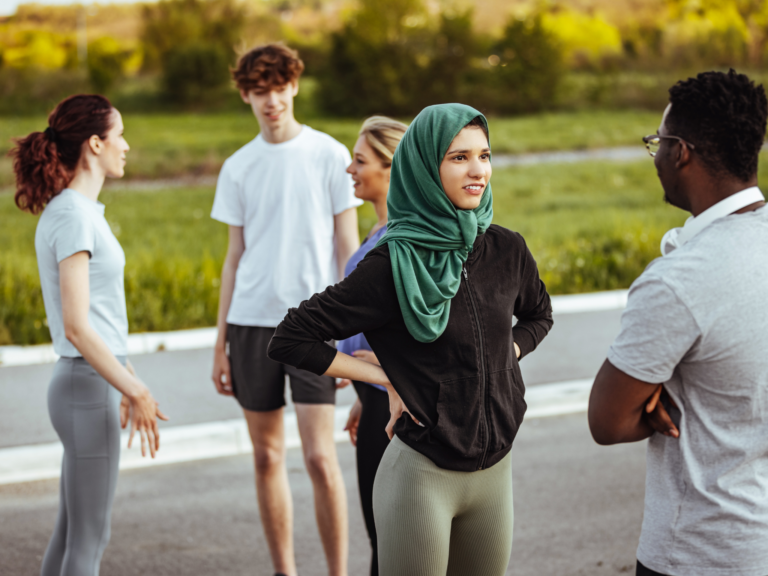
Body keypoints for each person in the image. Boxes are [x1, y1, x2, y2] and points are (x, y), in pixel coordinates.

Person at [269, 103, 553, 576]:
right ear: (424, 164)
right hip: (421, 478)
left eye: (484, 155)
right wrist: (385, 377)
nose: (477, 169)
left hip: (495, 474)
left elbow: (538, 315)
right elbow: (291, 338)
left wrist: (507, 353)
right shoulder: (389, 263)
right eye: (458, 157)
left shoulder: (506, 248)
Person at [588, 69, 768, 576]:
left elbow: (607, 420)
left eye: (658, 143)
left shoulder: (678, 281)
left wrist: (657, 398)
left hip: (696, 550)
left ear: (681, 152)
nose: (657, 157)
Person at [209, 43, 361, 576]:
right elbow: (234, 259)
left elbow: (349, 251)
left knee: (321, 459)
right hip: (250, 325)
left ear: (293, 86)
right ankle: (285, 571)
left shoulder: (328, 154)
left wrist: (352, 338)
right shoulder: (238, 166)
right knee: (267, 457)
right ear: (246, 96)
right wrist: (219, 344)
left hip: (316, 327)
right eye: (258, 91)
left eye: (279, 88)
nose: (270, 100)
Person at [11, 94, 169, 576]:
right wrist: (135, 389)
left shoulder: (75, 211)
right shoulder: (75, 216)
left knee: (71, 534)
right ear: (96, 143)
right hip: (85, 387)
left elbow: (96, 318)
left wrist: (124, 375)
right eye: (119, 136)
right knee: (88, 541)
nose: (126, 146)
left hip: (87, 384)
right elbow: (78, 326)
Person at [336, 116, 407, 576]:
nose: (350, 169)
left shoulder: (405, 239)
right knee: (381, 540)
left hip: (395, 404)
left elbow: (439, 324)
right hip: (375, 399)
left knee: (392, 547)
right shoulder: (377, 233)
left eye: (359, 160)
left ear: (391, 168)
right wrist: (365, 395)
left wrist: (387, 366)